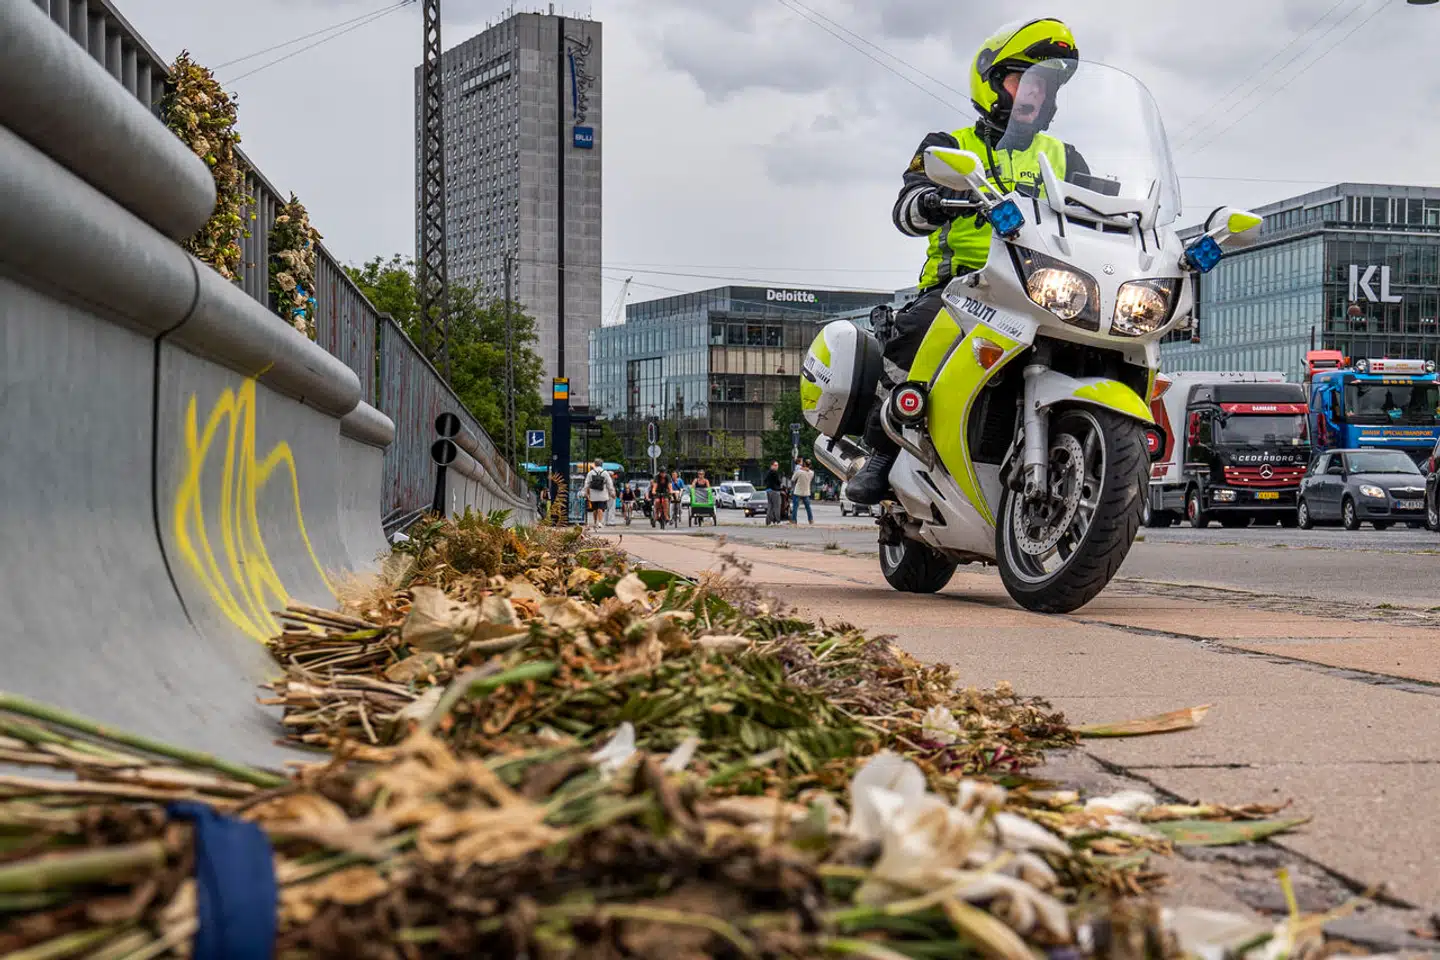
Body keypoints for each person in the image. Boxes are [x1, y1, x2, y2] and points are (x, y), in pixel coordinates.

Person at [846, 17, 1084, 506]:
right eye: (1024, 81)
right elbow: (905, 211)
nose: (1034, 95)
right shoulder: (951, 145)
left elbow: (1097, 211)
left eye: (1044, 85)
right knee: (916, 335)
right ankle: (882, 451)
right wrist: (932, 201)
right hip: (967, 284)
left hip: (1043, 285)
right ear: (994, 83)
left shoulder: (1064, 157)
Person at [583, 461, 614, 528]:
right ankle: (600, 522)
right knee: (600, 508)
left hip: (593, 494)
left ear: (595, 464)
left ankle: (594, 522)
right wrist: (612, 493)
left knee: (594, 509)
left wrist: (585, 492)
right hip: (603, 494)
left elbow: (586, 483)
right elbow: (609, 484)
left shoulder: (591, 472)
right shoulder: (605, 472)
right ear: (601, 464)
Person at [790, 458, 815, 524]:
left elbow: (793, 479)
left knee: (795, 506)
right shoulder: (812, 473)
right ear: (810, 465)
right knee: (808, 507)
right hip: (806, 492)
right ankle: (811, 520)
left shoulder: (799, 471)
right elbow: (808, 471)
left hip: (798, 491)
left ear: (804, 464)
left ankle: (794, 520)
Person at [763, 460, 784, 525]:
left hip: (768, 491)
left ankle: (768, 521)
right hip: (774, 491)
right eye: (775, 465)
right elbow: (779, 481)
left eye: (777, 465)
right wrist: (779, 487)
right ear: (771, 466)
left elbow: (765, 480)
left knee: (770, 506)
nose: (777, 466)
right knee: (777, 506)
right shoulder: (774, 472)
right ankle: (778, 521)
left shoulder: (768, 472)